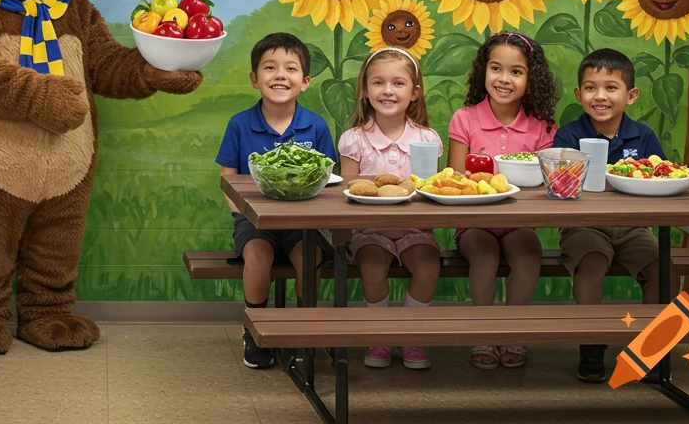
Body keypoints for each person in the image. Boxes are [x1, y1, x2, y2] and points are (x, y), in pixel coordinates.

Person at [216, 32, 336, 370]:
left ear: (306, 81)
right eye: (269, 68)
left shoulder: (316, 126)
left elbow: (328, 179)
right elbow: (228, 179)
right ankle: (254, 329)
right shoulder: (240, 125)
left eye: (290, 68)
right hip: (255, 223)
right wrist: (242, 214)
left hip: (303, 224)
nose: (280, 75)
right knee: (257, 255)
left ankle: (302, 330)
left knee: (309, 257)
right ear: (255, 79)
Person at [554, 47, 669, 383]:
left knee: (664, 268)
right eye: (590, 87)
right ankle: (590, 347)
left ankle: (651, 352)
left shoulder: (643, 136)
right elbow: (560, 185)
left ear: (630, 95)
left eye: (611, 87)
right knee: (592, 262)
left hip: (633, 228)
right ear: (579, 94)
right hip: (584, 226)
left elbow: (659, 174)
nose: (599, 96)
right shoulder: (568, 135)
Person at [447, 31, 558, 371]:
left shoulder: (541, 126)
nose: (504, 79)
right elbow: (454, 177)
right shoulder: (465, 118)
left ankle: (513, 330)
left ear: (531, 79)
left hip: (520, 220)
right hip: (474, 222)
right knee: (484, 256)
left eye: (516, 71)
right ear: (484, 71)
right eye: (496, 68)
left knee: (528, 255)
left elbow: (545, 181)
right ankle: (483, 330)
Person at [338, 47, 442, 371]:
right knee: (371, 267)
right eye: (378, 83)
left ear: (414, 93)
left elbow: (430, 191)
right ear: (365, 91)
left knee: (427, 267)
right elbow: (348, 192)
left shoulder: (428, 139)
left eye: (398, 83)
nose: (387, 90)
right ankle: (380, 334)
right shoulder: (354, 140)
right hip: (369, 231)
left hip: (416, 230)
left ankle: (410, 334)